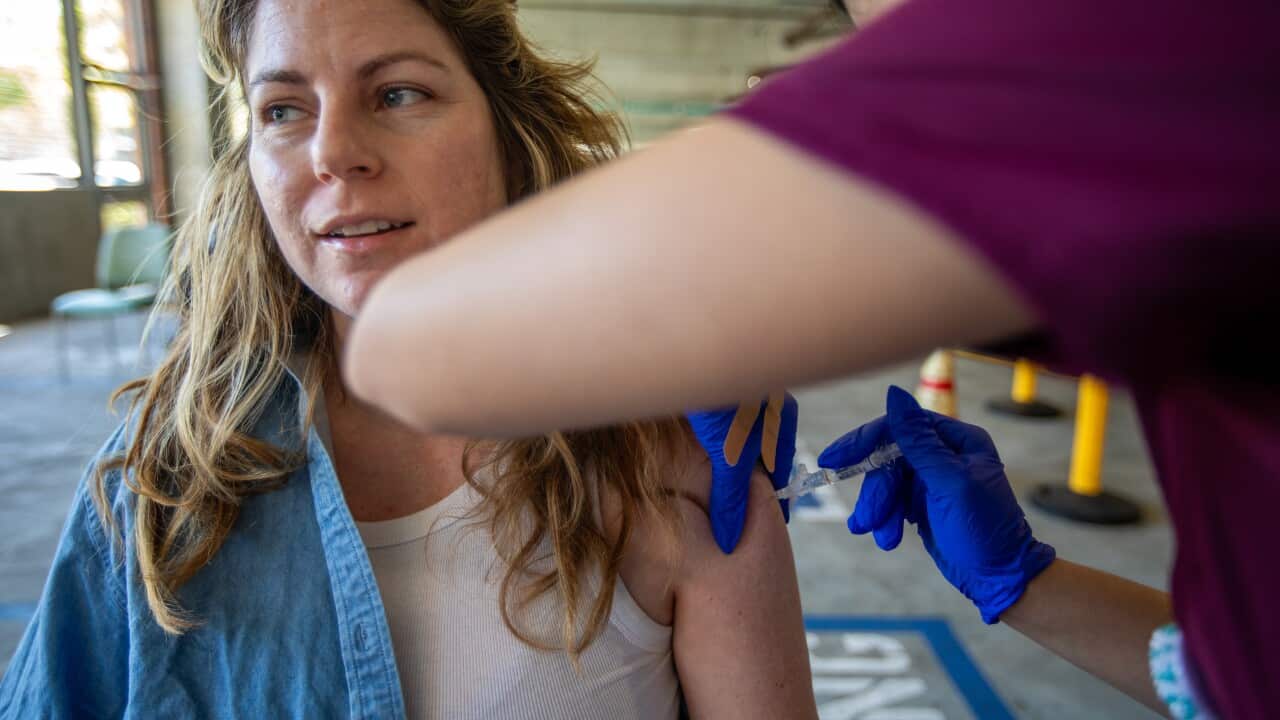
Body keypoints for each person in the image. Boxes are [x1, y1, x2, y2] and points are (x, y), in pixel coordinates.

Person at [343, 0, 1280, 717]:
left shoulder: (1132, 41)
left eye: (399, 92)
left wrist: (722, 295)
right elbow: (1231, 676)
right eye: (279, 108)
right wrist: (1030, 584)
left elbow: (410, 350)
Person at [0, 1, 818, 718]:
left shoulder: (668, 462)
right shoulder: (162, 486)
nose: (334, 153)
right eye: (283, 109)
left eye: (398, 94)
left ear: (508, 128)